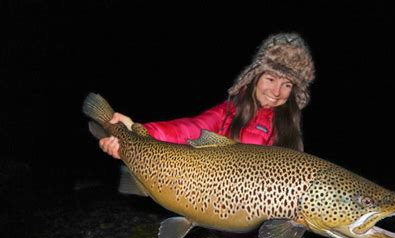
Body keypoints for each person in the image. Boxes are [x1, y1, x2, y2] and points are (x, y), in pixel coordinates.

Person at [99, 32, 315, 158]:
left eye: (287, 85)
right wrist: (136, 132)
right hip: (210, 213)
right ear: (254, 78)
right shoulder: (228, 112)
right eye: (270, 79)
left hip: (258, 230)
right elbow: (188, 130)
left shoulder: (290, 132)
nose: (276, 92)